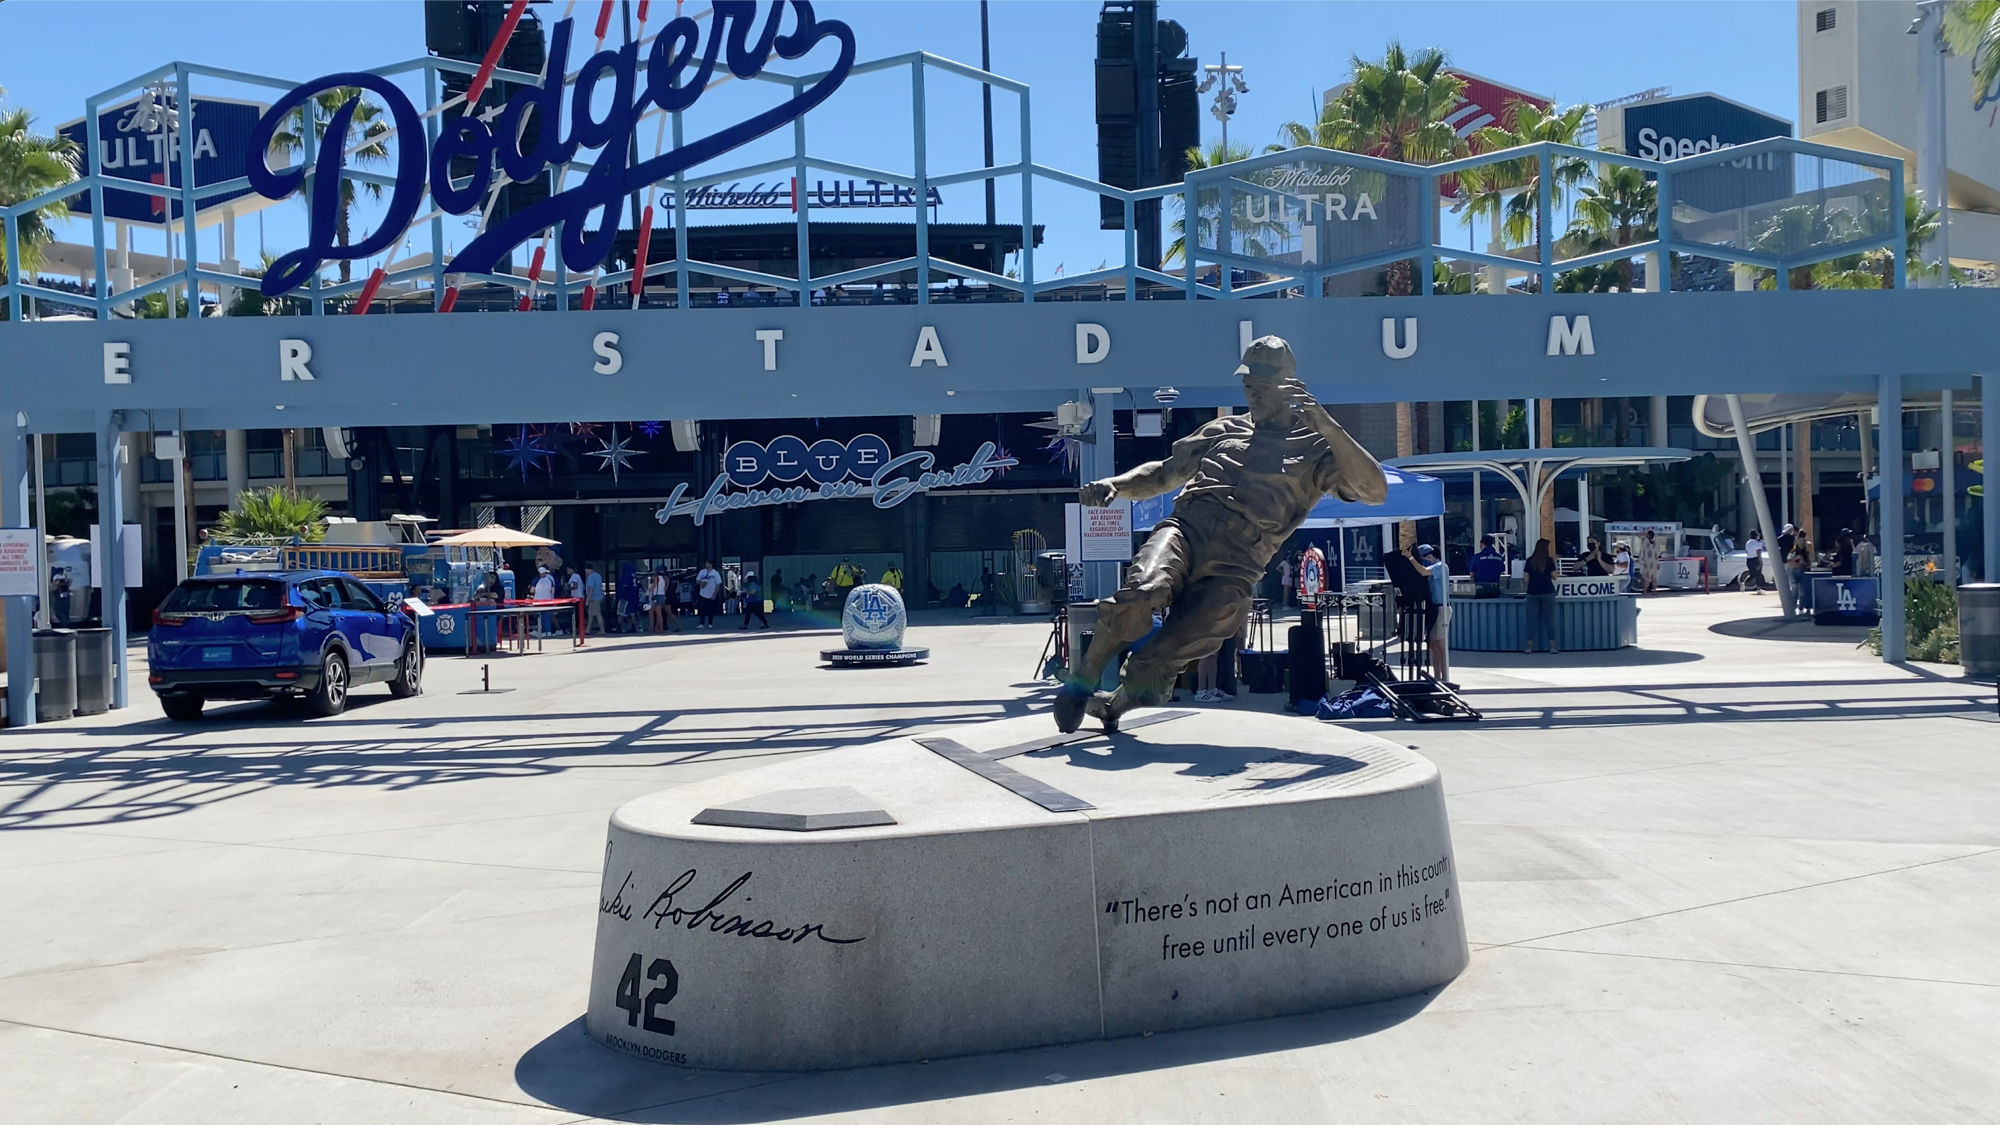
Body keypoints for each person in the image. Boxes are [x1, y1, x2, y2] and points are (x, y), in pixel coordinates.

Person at [1056, 335, 1387, 733]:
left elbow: (1375, 490)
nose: (1253, 393)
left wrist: (1327, 425)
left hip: (1236, 563)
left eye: (1263, 386)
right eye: (1248, 384)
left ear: (1290, 387)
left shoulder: (1317, 450)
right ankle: (1082, 681)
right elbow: (1163, 474)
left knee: (1172, 649)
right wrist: (1117, 485)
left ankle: (1116, 706)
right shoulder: (1223, 428)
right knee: (1141, 590)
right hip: (1186, 529)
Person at [1416, 543, 1452, 683]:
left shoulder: (1440, 566)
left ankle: (1445, 677)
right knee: (1433, 645)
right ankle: (1437, 676)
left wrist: (1411, 560)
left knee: (1441, 644)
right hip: (1433, 608)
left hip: (1442, 607)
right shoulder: (1432, 566)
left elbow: (1424, 572)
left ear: (1429, 556)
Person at [1523, 538, 1559, 654]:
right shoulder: (1549, 561)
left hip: (1532, 592)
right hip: (1547, 591)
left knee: (1531, 621)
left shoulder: (1529, 561)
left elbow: (1526, 578)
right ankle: (1553, 646)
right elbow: (1555, 577)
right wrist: (1555, 563)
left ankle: (1529, 647)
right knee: (1549, 620)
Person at [695, 560, 723, 628]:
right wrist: (701, 582)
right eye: (706, 563)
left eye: (708, 563)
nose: (706, 565)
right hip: (702, 594)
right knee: (702, 609)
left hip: (711, 594)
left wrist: (715, 594)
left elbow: (718, 584)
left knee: (711, 609)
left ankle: (710, 623)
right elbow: (697, 581)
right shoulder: (702, 572)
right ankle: (702, 623)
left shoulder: (715, 573)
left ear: (711, 564)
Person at [1635, 529, 1662, 595]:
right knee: (1653, 578)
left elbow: (1638, 535)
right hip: (1654, 562)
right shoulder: (1656, 542)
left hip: (1647, 562)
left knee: (1646, 578)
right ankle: (1655, 591)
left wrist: (1644, 532)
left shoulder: (1645, 540)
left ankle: (1645, 591)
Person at [584, 565, 606, 635]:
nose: (585, 571)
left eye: (586, 570)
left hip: (594, 598)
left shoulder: (591, 577)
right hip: (599, 597)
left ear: (588, 569)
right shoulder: (598, 575)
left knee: (597, 614)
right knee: (590, 614)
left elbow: (591, 589)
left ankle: (602, 630)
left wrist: (587, 600)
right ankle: (587, 630)